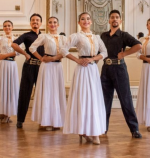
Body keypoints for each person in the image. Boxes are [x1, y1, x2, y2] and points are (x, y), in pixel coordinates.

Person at [61, 12, 107, 145]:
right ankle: (84, 131)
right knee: (83, 99)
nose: (85, 21)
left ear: (91, 21)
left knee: (94, 99)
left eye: (88, 19)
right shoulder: (76, 36)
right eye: (82, 19)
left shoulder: (97, 37)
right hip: (82, 70)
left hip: (93, 70)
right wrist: (77, 60)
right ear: (79, 22)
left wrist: (92, 58)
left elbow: (104, 52)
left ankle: (95, 132)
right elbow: (63, 50)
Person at [101, 9, 142, 138]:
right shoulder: (103, 36)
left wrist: (125, 54)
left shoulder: (124, 35)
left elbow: (138, 45)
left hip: (119, 70)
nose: (114, 19)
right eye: (112, 17)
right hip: (106, 69)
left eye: (117, 17)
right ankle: (103, 128)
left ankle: (134, 129)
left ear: (120, 20)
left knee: (126, 100)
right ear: (109, 20)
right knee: (104, 100)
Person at [29, 16, 66, 130]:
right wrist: (41, 58)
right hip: (47, 67)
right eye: (50, 22)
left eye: (55, 22)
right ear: (47, 25)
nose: (52, 24)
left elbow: (66, 52)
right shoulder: (43, 36)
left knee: (56, 91)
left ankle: (56, 120)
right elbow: (32, 48)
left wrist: (54, 58)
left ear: (58, 24)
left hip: (57, 66)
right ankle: (45, 121)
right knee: (47, 91)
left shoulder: (63, 38)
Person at [12, 13, 44, 128]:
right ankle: (20, 120)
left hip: (42, 68)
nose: (35, 22)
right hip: (29, 67)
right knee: (25, 92)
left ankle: (43, 120)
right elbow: (14, 44)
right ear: (30, 23)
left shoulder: (44, 36)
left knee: (42, 94)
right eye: (33, 20)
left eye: (37, 20)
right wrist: (25, 54)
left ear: (41, 23)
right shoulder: (26, 35)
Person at [0, 20, 19, 123]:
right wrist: (9, 54)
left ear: (12, 27)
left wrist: (5, 55)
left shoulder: (16, 39)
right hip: (2, 65)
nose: (7, 27)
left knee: (10, 87)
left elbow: (18, 53)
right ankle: (2, 113)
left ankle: (8, 114)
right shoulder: (0, 39)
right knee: (2, 87)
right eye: (5, 26)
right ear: (3, 28)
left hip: (12, 65)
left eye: (9, 26)